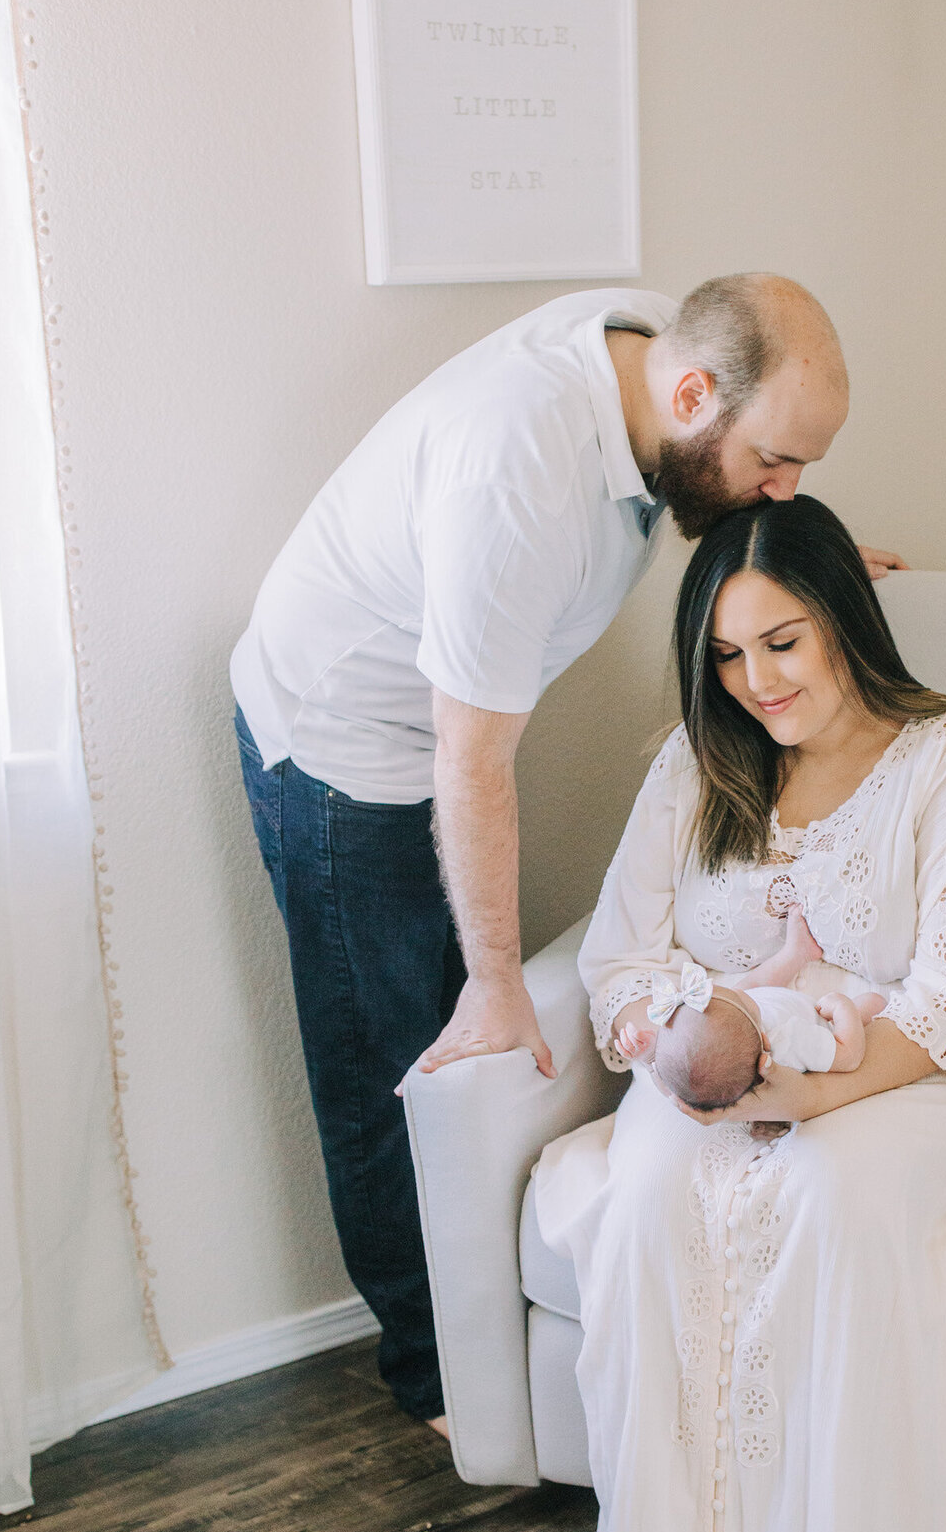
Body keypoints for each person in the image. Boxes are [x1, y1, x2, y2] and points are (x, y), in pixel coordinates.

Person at [232, 276, 901, 1433]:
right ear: (690, 396)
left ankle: (463, 1347)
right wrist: (494, 986)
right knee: (392, 1054)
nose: (786, 486)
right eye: (777, 464)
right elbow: (470, 762)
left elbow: (724, 500)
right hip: (348, 748)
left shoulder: (658, 368)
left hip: (439, 732)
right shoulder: (516, 473)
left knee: (439, 1025)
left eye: (802, 470)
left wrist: (814, 573)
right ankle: (433, 1378)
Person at [532, 495, 946, 1532]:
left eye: (782, 641)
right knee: (652, 1201)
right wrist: (685, 1038)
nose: (756, 680)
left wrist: (813, 1091)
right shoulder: (699, 762)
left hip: (912, 1080)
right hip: (720, 1069)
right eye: (726, 653)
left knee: (826, 1203)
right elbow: (621, 955)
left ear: (844, 619)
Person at [621, 911, 886, 1111]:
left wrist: (650, 1059)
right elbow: (849, 1056)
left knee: (745, 989)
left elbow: (673, 1092)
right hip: (820, 1019)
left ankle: (797, 952)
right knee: (873, 1002)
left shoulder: (737, 1041)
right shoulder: (790, 1041)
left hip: (764, 1014)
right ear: (761, 1035)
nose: (714, 989)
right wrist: (843, 1007)